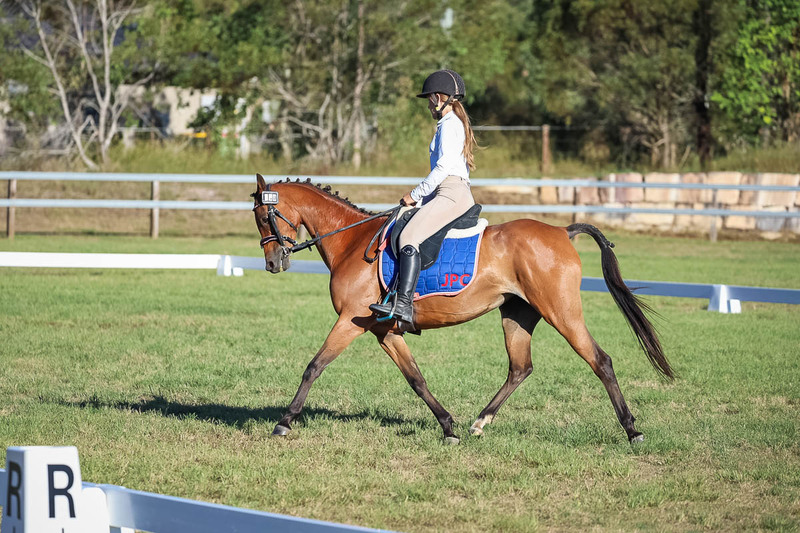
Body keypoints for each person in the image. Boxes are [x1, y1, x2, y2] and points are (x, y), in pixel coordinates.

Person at [370, 69, 478, 328]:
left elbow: (442, 169)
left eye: (430, 99)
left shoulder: (450, 125)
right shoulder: (447, 124)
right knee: (403, 222)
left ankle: (403, 305)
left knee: (409, 237)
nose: (428, 104)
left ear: (440, 98)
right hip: (445, 191)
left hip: (451, 193)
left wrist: (415, 194)